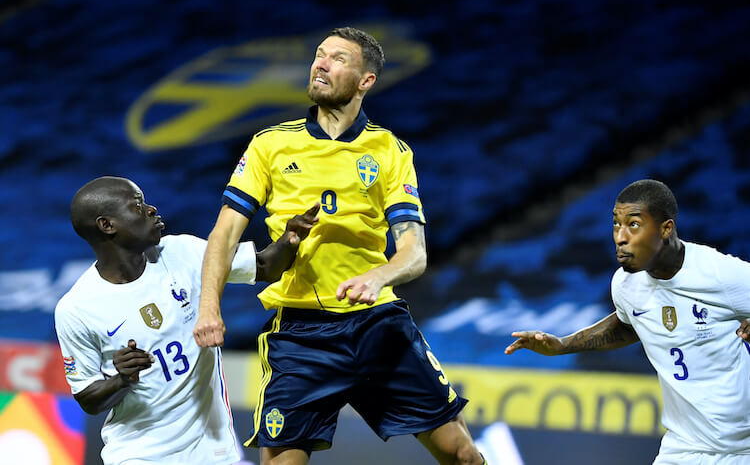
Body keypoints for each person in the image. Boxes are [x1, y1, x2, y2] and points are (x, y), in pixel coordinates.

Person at [193, 27, 485, 465]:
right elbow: (224, 235)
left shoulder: (389, 151)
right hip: (300, 335)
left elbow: (414, 251)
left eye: (338, 59)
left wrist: (377, 276)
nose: (321, 64)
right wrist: (209, 306)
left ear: (366, 80)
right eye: (318, 55)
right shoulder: (271, 144)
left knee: (461, 454)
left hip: (377, 324)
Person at [54, 176, 319, 465]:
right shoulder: (76, 308)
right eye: (138, 205)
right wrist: (121, 380)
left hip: (217, 453)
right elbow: (88, 397)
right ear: (107, 225)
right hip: (139, 456)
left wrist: (291, 237)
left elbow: (265, 266)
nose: (152, 209)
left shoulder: (182, 252)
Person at [505, 178, 750, 464]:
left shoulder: (721, 274)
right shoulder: (625, 285)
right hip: (683, 448)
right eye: (616, 224)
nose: (621, 236)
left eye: (633, 224)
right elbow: (627, 324)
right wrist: (561, 345)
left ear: (665, 228)